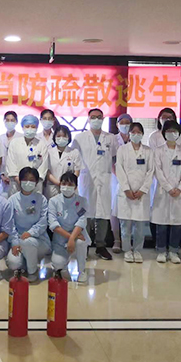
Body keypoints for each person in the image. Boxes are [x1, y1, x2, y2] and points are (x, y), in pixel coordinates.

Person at [73, 108, 116, 260]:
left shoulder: (110, 138)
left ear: (103, 119)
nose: (96, 119)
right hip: (86, 180)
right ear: (88, 119)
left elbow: (115, 159)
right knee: (86, 214)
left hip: (104, 180)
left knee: (103, 214)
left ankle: (101, 246)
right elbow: (74, 159)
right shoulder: (79, 138)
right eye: (93, 117)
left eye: (99, 117)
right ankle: (84, 244)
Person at [152, 120, 181, 264]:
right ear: (164, 133)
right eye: (168, 131)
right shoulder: (158, 151)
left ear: (178, 134)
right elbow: (158, 171)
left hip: (179, 193)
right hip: (163, 192)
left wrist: (180, 188)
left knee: (177, 224)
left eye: (174, 131)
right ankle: (161, 250)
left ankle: (174, 251)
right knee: (161, 224)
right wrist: (169, 188)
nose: (171, 133)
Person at [115, 122, 154, 264]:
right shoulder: (122, 150)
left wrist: (143, 190)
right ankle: (127, 250)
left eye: (138, 132)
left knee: (140, 226)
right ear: (129, 134)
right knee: (125, 225)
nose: (136, 134)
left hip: (141, 194)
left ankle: (137, 250)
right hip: (126, 193)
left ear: (142, 134)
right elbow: (119, 169)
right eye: (133, 132)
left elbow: (151, 171)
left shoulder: (148, 151)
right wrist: (126, 189)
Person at [6, 167, 51, 282]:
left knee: (28, 242)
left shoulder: (41, 199)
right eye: (25, 179)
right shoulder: (12, 200)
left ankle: (32, 271)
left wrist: (31, 233)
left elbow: (43, 221)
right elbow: (10, 224)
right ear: (20, 180)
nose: (28, 182)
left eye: (31, 180)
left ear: (36, 182)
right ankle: (27, 262)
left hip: (39, 240)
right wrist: (15, 242)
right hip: (18, 240)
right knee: (13, 263)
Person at [48, 172, 90, 282]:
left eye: (70, 184)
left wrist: (72, 238)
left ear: (76, 187)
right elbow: (53, 224)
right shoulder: (53, 201)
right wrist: (70, 237)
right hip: (60, 239)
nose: (66, 187)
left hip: (78, 235)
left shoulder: (82, 201)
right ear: (60, 185)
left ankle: (82, 271)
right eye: (64, 183)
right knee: (58, 264)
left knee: (81, 243)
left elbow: (81, 221)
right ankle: (63, 265)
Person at [5, 115, 49, 195]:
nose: (30, 129)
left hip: (35, 185)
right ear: (22, 127)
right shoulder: (14, 143)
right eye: (27, 126)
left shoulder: (41, 144)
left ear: (37, 128)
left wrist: (32, 182)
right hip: (16, 184)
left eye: (33, 126)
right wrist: (21, 182)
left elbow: (43, 167)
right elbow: (11, 164)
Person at [110, 112, 133, 254]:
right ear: (117, 125)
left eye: (127, 123)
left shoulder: (135, 138)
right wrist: (120, 177)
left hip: (132, 180)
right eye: (122, 123)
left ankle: (127, 240)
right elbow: (111, 160)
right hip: (115, 178)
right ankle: (116, 240)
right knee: (115, 210)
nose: (125, 125)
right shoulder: (113, 139)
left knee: (129, 209)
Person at [45, 125, 81, 199]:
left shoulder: (74, 152)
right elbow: (47, 172)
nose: (61, 138)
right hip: (53, 188)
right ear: (54, 137)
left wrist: (68, 183)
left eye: (64, 136)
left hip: (69, 187)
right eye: (58, 136)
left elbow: (77, 171)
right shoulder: (48, 152)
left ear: (69, 137)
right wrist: (59, 183)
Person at [0, 111, 22, 190]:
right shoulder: (0, 138)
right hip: (3, 177)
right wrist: (2, 175)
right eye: (7, 120)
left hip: (17, 176)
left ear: (16, 122)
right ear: (4, 121)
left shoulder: (21, 138)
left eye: (12, 120)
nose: (9, 122)